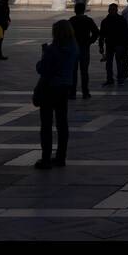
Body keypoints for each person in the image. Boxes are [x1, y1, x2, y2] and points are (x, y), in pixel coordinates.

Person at [34, 19, 78, 169]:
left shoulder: (53, 49)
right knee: (62, 123)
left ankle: (45, 158)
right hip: (65, 87)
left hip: (50, 87)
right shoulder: (73, 47)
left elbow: (44, 69)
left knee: (46, 124)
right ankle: (61, 157)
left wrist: (44, 54)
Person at [68, 0, 100, 99]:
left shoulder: (71, 20)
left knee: (73, 71)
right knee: (84, 71)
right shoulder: (88, 20)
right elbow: (96, 33)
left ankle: (72, 93)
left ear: (75, 10)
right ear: (84, 10)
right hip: (84, 48)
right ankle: (85, 92)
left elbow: (67, 35)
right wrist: (89, 42)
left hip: (73, 48)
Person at [98, 2, 128, 85]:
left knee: (113, 63)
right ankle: (117, 79)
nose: (112, 11)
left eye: (113, 10)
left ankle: (112, 79)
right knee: (115, 63)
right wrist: (101, 46)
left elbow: (101, 35)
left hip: (114, 44)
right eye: (111, 10)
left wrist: (101, 46)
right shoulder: (120, 20)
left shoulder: (106, 21)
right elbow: (101, 35)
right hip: (114, 44)